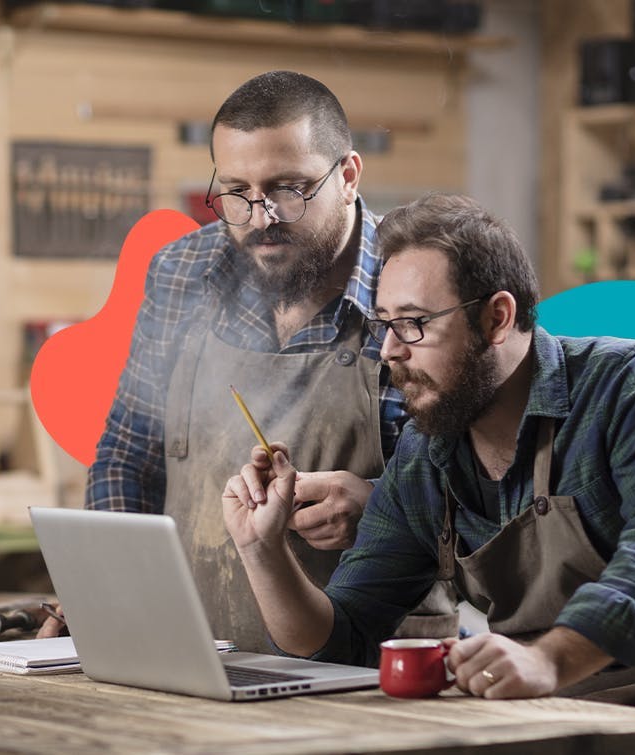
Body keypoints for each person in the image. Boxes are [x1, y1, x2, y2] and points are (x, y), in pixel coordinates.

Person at [223, 192, 635, 753]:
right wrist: (263, 550)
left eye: (414, 323)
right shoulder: (427, 455)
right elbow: (343, 636)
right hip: (566, 724)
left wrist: (549, 660)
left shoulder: (633, 385)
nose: (391, 351)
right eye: (384, 325)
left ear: (497, 318)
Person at [40, 70, 455, 650]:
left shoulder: (419, 290)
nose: (262, 217)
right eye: (238, 192)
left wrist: (380, 507)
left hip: (370, 667)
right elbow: (129, 454)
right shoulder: (181, 274)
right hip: (196, 654)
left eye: (290, 188)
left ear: (350, 176)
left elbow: (476, 493)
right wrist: (109, 590)